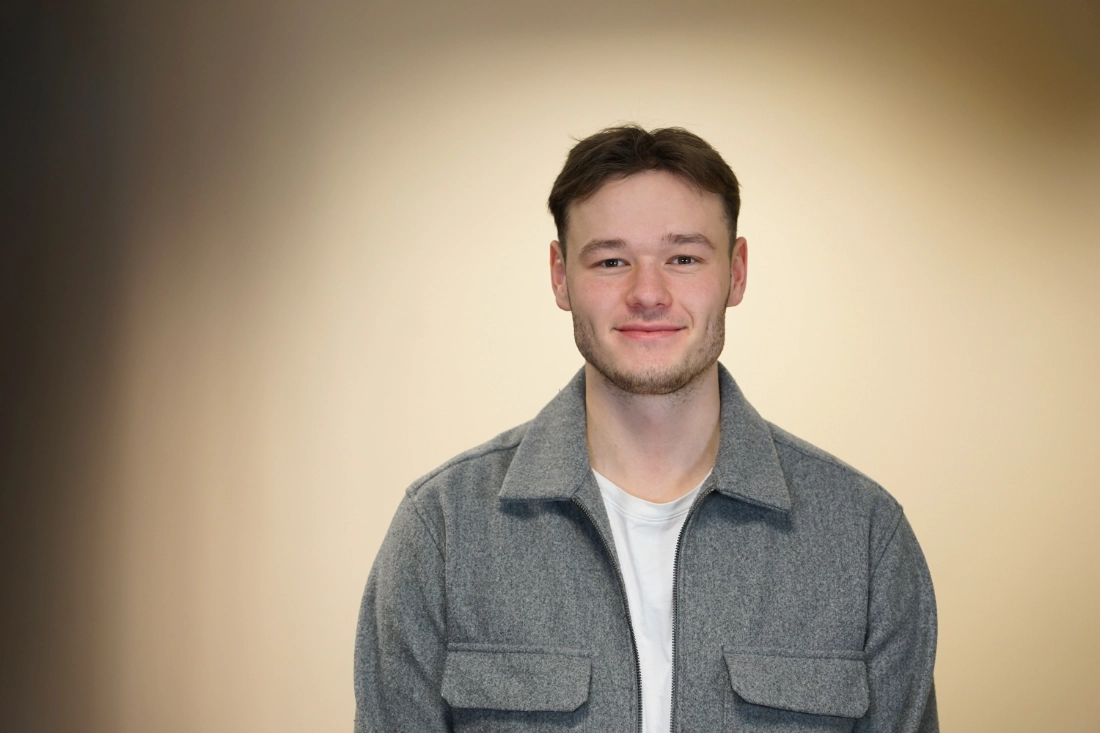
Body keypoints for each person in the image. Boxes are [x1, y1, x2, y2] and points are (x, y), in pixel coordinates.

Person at [353, 125, 938, 733]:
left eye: (683, 258)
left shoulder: (866, 537)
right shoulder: (443, 530)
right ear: (560, 276)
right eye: (611, 261)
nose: (648, 294)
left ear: (737, 272)